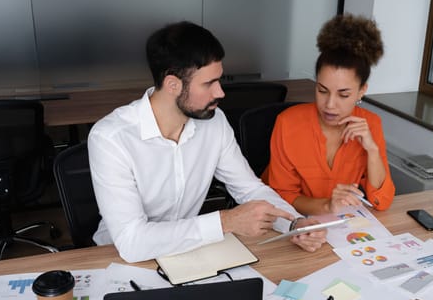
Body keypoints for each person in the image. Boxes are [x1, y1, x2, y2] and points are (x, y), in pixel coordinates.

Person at [87, 21, 326, 263]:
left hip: (190, 251)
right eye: (208, 84)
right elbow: (132, 242)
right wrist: (226, 222)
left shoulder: (214, 122)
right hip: (121, 260)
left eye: (219, 80)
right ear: (173, 85)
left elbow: (250, 189)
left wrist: (295, 223)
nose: (220, 93)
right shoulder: (110, 138)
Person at [265, 14, 395, 215]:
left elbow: (381, 200)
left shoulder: (370, 124)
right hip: (289, 220)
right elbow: (281, 195)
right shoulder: (288, 123)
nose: (329, 105)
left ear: (362, 91)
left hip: (337, 227)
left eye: (344, 94)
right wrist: (327, 206)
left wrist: (372, 150)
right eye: (322, 91)